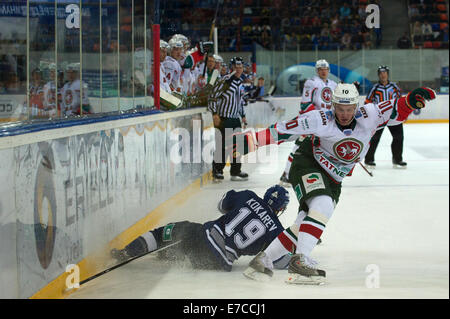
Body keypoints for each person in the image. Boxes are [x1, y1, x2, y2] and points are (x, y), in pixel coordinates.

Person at [237, 84, 436, 285]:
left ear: (357, 106)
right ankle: (300, 263)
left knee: (305, 224)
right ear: (333, 105)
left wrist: (410, 101)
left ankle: (262, 261)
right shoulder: (319, 118)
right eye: (340, 108)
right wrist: (249, 142)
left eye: (349, 109)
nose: (344, 113)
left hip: (334, 178)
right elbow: (282, 131)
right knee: (322, 205)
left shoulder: (371, 114)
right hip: (307, 163)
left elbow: (396, 109)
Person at [111, 185, 290, 271]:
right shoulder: (277, 230)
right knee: (186, 249)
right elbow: (280, 260)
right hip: (220, 263)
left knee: (166, 232)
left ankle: (127, 252)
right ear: (281, 208)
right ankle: (169, 252)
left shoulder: (248, 196)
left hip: (205, 239)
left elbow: (222, 205)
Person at [279, 59, 337, 186]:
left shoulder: (333, 85)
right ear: (317, 71)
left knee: (324, 150)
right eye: (320, 69)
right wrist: (318, 118)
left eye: (325, 69)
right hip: (310, 122)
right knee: (299, 146)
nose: (323, 71)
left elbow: (335, 105)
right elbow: (305, 104)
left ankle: (323, 176)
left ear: (328, 70)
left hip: (326, 124)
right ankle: (286, 174)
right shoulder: (311, 82)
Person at [208, 56, 249, 182]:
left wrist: (242, 116)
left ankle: (235, 171)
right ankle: (217, 171)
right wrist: (215, 114)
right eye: (235, 67)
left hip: (234, 118)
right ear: (231, 68)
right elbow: (212, 97)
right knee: (222, 146)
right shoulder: (225, 81)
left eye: (240, 67)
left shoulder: (240, 82)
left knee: (237, 146)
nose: (238, 69)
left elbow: (240, 101)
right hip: (224, 118)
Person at [364, 66, 405, 169]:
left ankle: (397, 159)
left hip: (394, 117)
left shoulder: (394, 87)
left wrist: (403, 113)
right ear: (378, 75)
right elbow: (368, 101)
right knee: (374, 138)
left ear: (388, 74)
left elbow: (400, 101)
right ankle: (369, 159)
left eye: (385, 72)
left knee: (399, 137)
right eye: (381, 73)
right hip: (379, 117)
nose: (383, 75)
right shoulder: (375, 88)